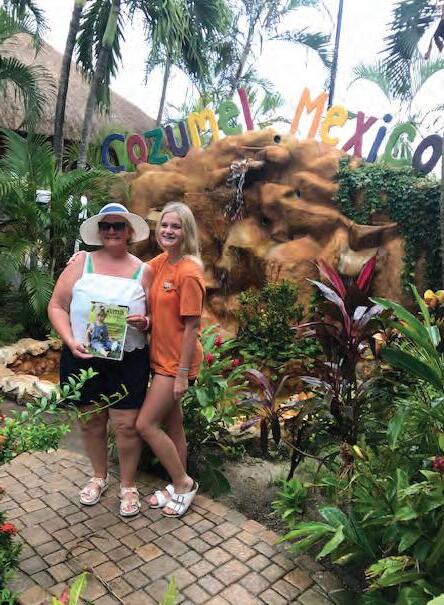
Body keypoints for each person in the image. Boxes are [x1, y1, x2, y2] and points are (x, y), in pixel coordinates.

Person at [48, 202, 151, 517]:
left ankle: (128, 485)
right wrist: (69, 340)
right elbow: (56, 305)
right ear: (99, 230)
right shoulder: (82, 262)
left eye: (118, 226)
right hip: (83, 357)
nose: (111, 231)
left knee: (126, 426)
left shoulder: (145, 271)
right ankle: (98, 476)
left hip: (128, 359)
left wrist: (145, 323)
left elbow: (158, 319)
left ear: (129, 232)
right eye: (106, 226)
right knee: (91, 422)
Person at [135, 202, 205, 518]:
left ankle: (184, 483)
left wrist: (181, 374)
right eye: (164, 225)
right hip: (161, 358)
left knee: (145, 424)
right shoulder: (161, 262)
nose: (168, 231)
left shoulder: (188, 272)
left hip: (175, 364)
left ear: (186, 231)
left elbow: (191, 327)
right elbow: (131, 270)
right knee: (173, 427)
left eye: (176, 226)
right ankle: (176, 485)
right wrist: (83, 259)